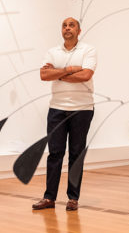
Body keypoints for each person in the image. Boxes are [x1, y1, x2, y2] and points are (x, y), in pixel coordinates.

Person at [32, 17, 97, 211]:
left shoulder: (88, 50)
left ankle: (73, 199)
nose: (67, 28)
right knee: (55, 154)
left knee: (76, 155)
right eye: (64, 25)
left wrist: (58, 73)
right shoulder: (52, 52)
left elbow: (86, 75)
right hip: (57, 108)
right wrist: (70, 70)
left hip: (83, 109)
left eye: (71, 25)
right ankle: (49, 198)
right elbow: (44, 75)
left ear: (79, 30)